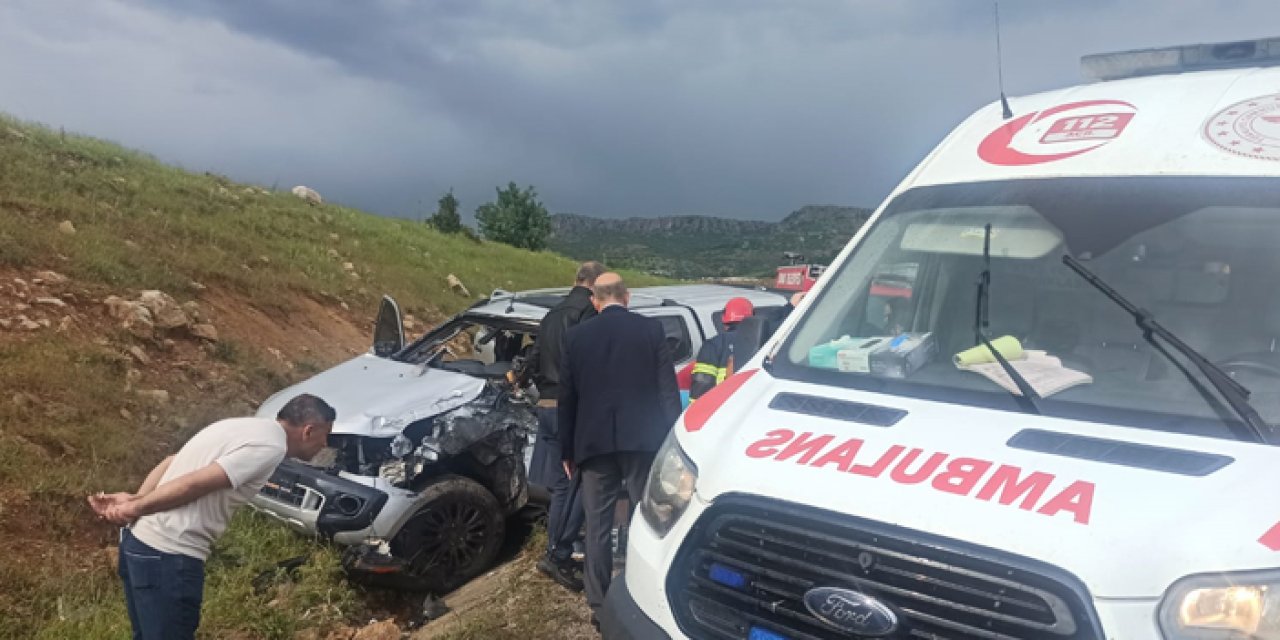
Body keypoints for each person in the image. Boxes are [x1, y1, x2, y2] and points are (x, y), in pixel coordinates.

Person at [88, 394, 335, 640]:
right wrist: (136, 508)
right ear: (308, 431)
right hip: (169, 555)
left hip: (139, 544)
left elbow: (171, 461)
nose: (325, 444)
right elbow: (195, 484)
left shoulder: (243, 426)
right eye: (326, 435)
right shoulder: (270, 447)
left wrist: (135, 500)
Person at [558, 273, 682, 623]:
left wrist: (566, 450)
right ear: (626, 297)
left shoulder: (576, 336)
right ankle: (643, 595)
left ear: (595, 301)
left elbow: (567, 398)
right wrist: (674, 440)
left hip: (593, 444)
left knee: (596, 526)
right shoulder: (650, 331)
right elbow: (667, 391)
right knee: (647, 517)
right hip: (643, 441)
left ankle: (598, 605)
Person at [527, 260, 605, 591]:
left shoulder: (550, 315)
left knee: (559, 484)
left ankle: (559, 546)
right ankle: (557, 554)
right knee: (570, 485)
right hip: (568, 408)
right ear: (595, 286)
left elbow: (532, 360)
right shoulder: (587, 314)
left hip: (545, 405)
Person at [689, 297, 755, 401]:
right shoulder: (763, 342)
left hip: (722, 405)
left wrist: (696, 410)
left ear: (724, 320)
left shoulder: (713, 345)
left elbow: (702, 383)